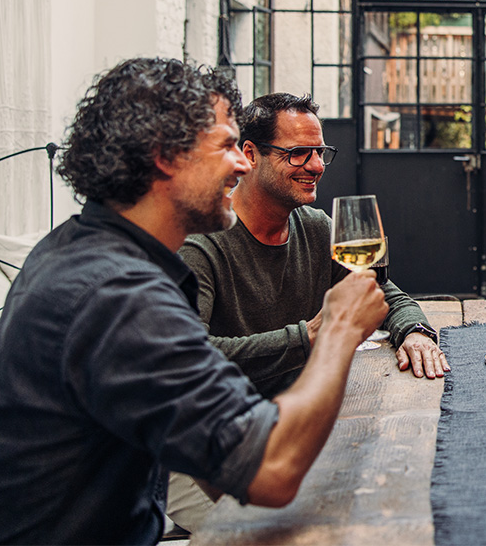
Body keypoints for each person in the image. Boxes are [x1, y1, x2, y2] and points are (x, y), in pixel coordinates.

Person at [0, 58, 388, 544]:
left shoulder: (82, 249)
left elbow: (214, 444)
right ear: (165, 156)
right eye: (224, 146)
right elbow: (273, 470)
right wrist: (338, 329)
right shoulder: (117, 296)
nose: (242, 163)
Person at [167, 92, 449, 532]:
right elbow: (190, 356)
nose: (316, 166)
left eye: (320, 152)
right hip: (205, 448)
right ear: (249, 155)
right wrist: (312, 337)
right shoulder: (201, 243)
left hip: (288, 425)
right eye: (298, 153)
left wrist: (413, 329)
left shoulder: (316, 227)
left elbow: (381, 290)